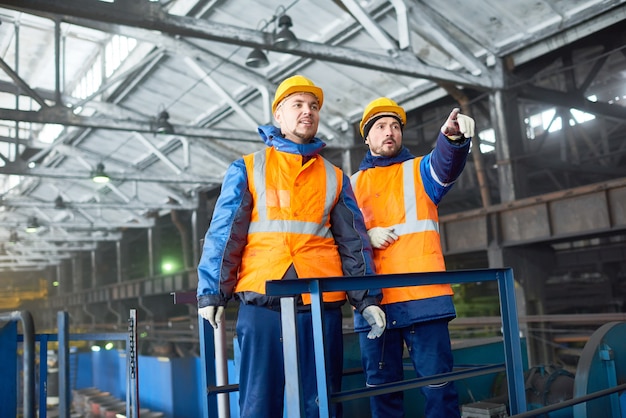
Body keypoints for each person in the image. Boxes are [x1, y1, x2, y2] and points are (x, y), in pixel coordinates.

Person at [196, 75, 387, 418]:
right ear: (279, 115)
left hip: (319, 306)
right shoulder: (249, 168)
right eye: (297, 105)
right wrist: (212, 292)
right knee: (258, 404)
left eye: (313, 106)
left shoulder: (334, 176)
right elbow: (225, 235)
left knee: (321, 404)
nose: (307, 112)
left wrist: (367, 298)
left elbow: (354, 243)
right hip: (262, 306)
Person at [350, 97, 475, 418]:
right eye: (380, 127)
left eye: (394, 126)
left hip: (423, 300)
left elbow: (446, 164)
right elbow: (341, 238)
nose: (389, 131)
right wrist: (367, 234)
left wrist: (453, 140)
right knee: (382, 390)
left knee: (438, 388)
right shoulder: (349, 186)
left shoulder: (420, 170)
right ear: (366, 136)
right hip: (373, 304)